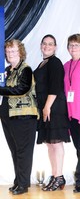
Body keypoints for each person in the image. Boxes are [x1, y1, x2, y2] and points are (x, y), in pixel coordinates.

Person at [0, 39, 38, 195]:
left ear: (20, 52)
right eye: (8, 51)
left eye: (13, 51)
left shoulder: (25, 69)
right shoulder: (7, 70)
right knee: (15, 150)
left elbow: (22, 89)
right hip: (8, 116)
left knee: (23, 151)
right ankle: (18, 181)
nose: (10, 53)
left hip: (23, 116)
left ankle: (23, 184)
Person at [34, 34, 70, 191]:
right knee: (50, 144)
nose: (47, 46)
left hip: (54, 107)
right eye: (44, 44)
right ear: (41, 46)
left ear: (55, 47)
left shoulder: (55, 62)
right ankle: (55, 175)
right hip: (45, 107)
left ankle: (60, 176)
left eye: (50, 44)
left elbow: (55, 86)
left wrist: (47, 106)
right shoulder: (43, 63)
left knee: (56, 143)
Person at [63, 34, 80, 193]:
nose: (73, 48)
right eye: (71, 45)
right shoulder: (66, 65)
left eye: (76, 45)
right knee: (78, 149)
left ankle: (79, 181)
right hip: (71, 115)